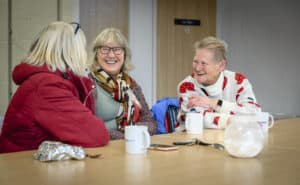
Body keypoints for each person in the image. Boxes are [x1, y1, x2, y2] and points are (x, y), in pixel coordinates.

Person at [0, 21, 109, 153]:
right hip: (25, 169)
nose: (85, 55)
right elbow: (95, 135)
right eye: (83, 49)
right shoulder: (47, 87)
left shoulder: (44, 81)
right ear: (72, 52)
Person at [177, 36, 261, 129]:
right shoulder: (187, 86)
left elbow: (254, 112)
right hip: (193, 140)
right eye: (195, 62)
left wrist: (214, 103)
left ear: (221, 65)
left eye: (203, 63)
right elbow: (199, 119)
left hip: (229, 139)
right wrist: (238, 120)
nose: (197, 68)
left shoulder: (238, 81)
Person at [89, 27, 157, 139]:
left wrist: (128, 131)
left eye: (117, 49)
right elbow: (87, 128)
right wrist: (125, 133)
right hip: (103, 151)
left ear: (124, 55)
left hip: (133, 148)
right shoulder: (88, 86)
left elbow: (151, 124)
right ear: (96, 55)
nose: (111, 55)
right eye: (105, 49)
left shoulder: (132, 85)